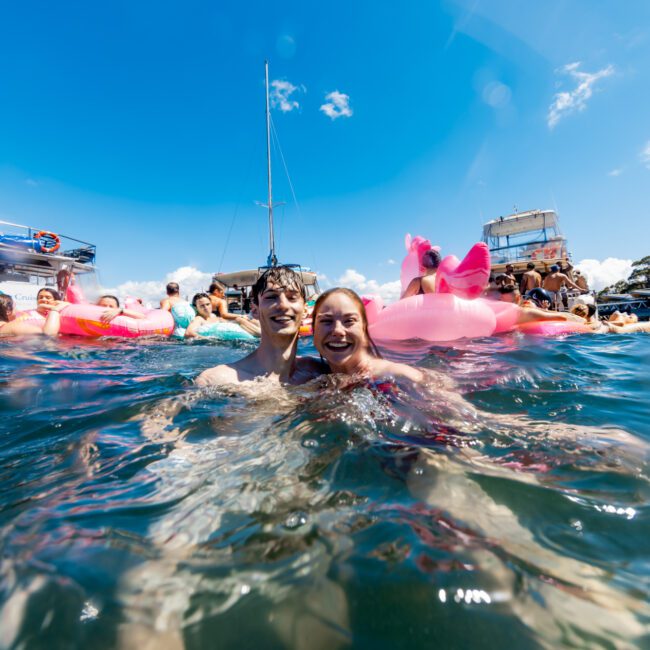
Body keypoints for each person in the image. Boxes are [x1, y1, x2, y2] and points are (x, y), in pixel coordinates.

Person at [196, 266, 324, 386]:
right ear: (255, 310)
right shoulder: (217, 380)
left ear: (305, 311)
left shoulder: (322, 371)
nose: (283, 305)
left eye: (292, 297)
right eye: (271, 297)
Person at [312, 288, 423, 383]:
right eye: (326, 321)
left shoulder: (399, 376)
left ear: (364, 330)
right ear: (314, 331)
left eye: (349, 320)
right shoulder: (311, 373)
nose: (337, 330)